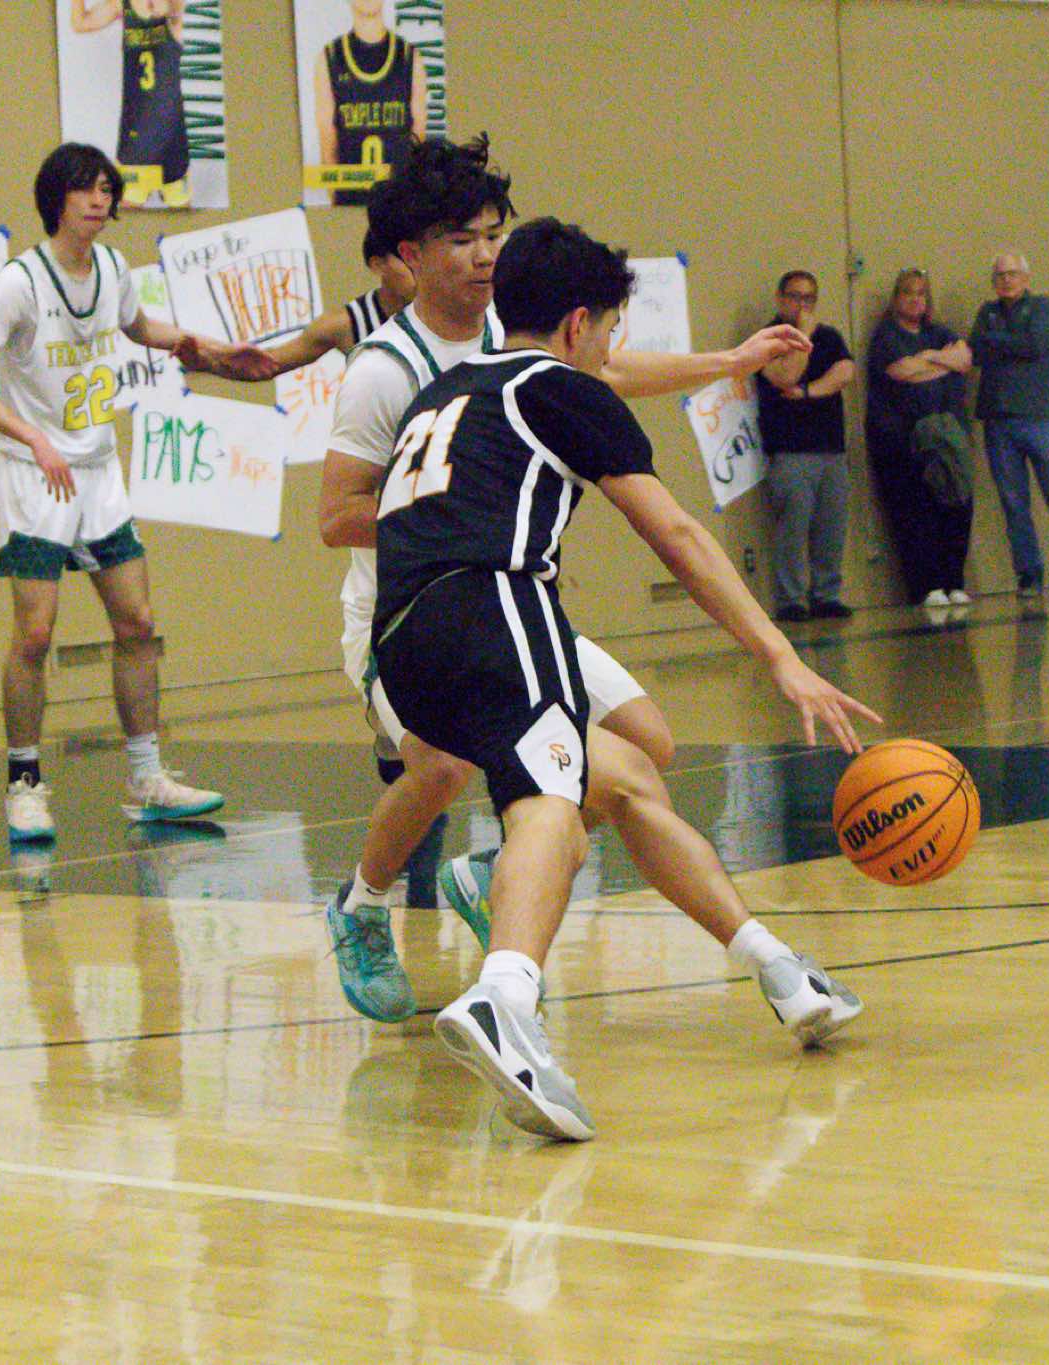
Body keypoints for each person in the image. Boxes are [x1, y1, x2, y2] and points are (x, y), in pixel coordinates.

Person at [374, 218, 878, 1140]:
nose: (612, 350)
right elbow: (677, 535)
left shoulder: (449, 388)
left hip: (403, 642)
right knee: (549, 809)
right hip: (491, 603)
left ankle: (778, 967)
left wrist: (726, 359)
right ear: (579, 325)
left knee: (631, 778)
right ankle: (504, 997)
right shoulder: (563, 387)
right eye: (610, 329)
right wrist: (780, 655)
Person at [314, 136, 834, 1024]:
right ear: (410, 256)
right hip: (404, 605)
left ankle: (500, 870)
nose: (484, 254)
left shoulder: (512, 337)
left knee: (646, 744)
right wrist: (455, 507)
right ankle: (362, 906)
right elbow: (335, 517)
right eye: (461, 240)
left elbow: (606, 373)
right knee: (443, 766)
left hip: (504, 598)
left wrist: (728, 363)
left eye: (493, 235)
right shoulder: (382, 370)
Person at [0, 144, 271, 840]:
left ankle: (148, 775)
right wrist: (32, 437)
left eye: (106, 189)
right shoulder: (20, 283)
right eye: (86, 189)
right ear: (56, 198)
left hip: (97, 472)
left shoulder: (115, 270)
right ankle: (24, 783)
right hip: (36, 474)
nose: (99, 200)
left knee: (137, 622)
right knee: (35, 633)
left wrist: (210, 349)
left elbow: (140, 327)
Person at [968, 253, 1049, 601]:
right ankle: (1028, 574)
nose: (1006, 280)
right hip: (998, 422)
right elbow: (975, 352)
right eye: (1000, 275)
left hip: (1038, 419)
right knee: (1014, 504)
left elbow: (1035, 344)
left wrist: (995, 340)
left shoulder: (1042, 307)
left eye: (1012, 273)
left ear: (1026, 278)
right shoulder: (987, 312)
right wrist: (1001, 341)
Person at [865, 268, 975, 608]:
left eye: (921, 294)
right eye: (908, 293)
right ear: (897, 298)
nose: (915, 300)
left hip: (946, 438)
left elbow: (964, 359)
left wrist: (927, 358)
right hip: (902, 440)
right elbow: (901, 371)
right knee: (915, 514)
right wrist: (940, 363)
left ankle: (953, 582)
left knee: (956, 506)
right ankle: (926, 586)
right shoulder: (886, 336)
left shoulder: (940, 333)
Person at [755, 270, 858, 622]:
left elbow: (845, 372)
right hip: (790, 452)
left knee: (832, 527)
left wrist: (808, 393)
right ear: (780, 298)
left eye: (809, 298)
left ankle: (827, 594)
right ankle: (791, 599)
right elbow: (785, 375)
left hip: (831, 449)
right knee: (793, 527)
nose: (803, 305)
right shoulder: (767, 339)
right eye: (796, 297)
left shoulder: (830, 337)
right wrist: (805, 335)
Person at [70, 0, 191, 209]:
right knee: (129, 215)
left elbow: (167, 9)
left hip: (170, 143)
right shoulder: (121, 5)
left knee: (184, 219)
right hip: (135, 141)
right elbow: (80, 23)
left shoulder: (172, 7)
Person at [254, 224, 415, 373]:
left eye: (423, 258)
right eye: (408, 260)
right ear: (378, 265)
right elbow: (268, 364)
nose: (421, 269)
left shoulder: (432, 313)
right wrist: (237, 358)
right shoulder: (348, 323)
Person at [312, 0, 429, 206]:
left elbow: (419, 137)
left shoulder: (409, 57)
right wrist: (336, 198)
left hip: (399, 202)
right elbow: (327, 139)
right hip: (349, 199)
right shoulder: (330, 57)